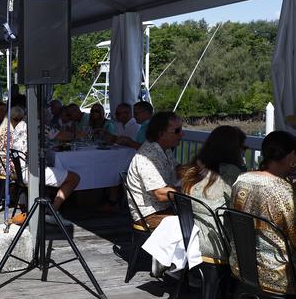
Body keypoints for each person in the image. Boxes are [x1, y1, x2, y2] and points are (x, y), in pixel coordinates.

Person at [229, 131, 296, 294]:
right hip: (276, 274)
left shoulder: (242, 180)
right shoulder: (283, 191)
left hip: (242, 267)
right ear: (291, 156)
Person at [0, 106, 79, 220]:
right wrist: (77, 135)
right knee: (74, 178)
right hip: (31, 172)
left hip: (19, 171)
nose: (49, 116)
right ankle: (52, 212)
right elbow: (61, 135)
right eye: (47, 113)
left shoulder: (20, 124)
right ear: (41, 114)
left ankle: (48, 207)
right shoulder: (37, 124)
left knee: (53, 166)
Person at [178, 125, 246, 260]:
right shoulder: (231, 173)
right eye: (242, 148)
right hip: (217, 243)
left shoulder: (194, 170)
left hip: (191, 236)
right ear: (233, 150)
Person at [125, 111, 183, 229]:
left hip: (165, 208)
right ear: (161, 133)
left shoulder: (165, 149)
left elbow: (178, 169)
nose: (182, 134)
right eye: (177, 131)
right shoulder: (148, 156)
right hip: (149, 215)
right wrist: (192, 189)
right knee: (195, 223)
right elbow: (160, 194)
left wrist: (199, 172)